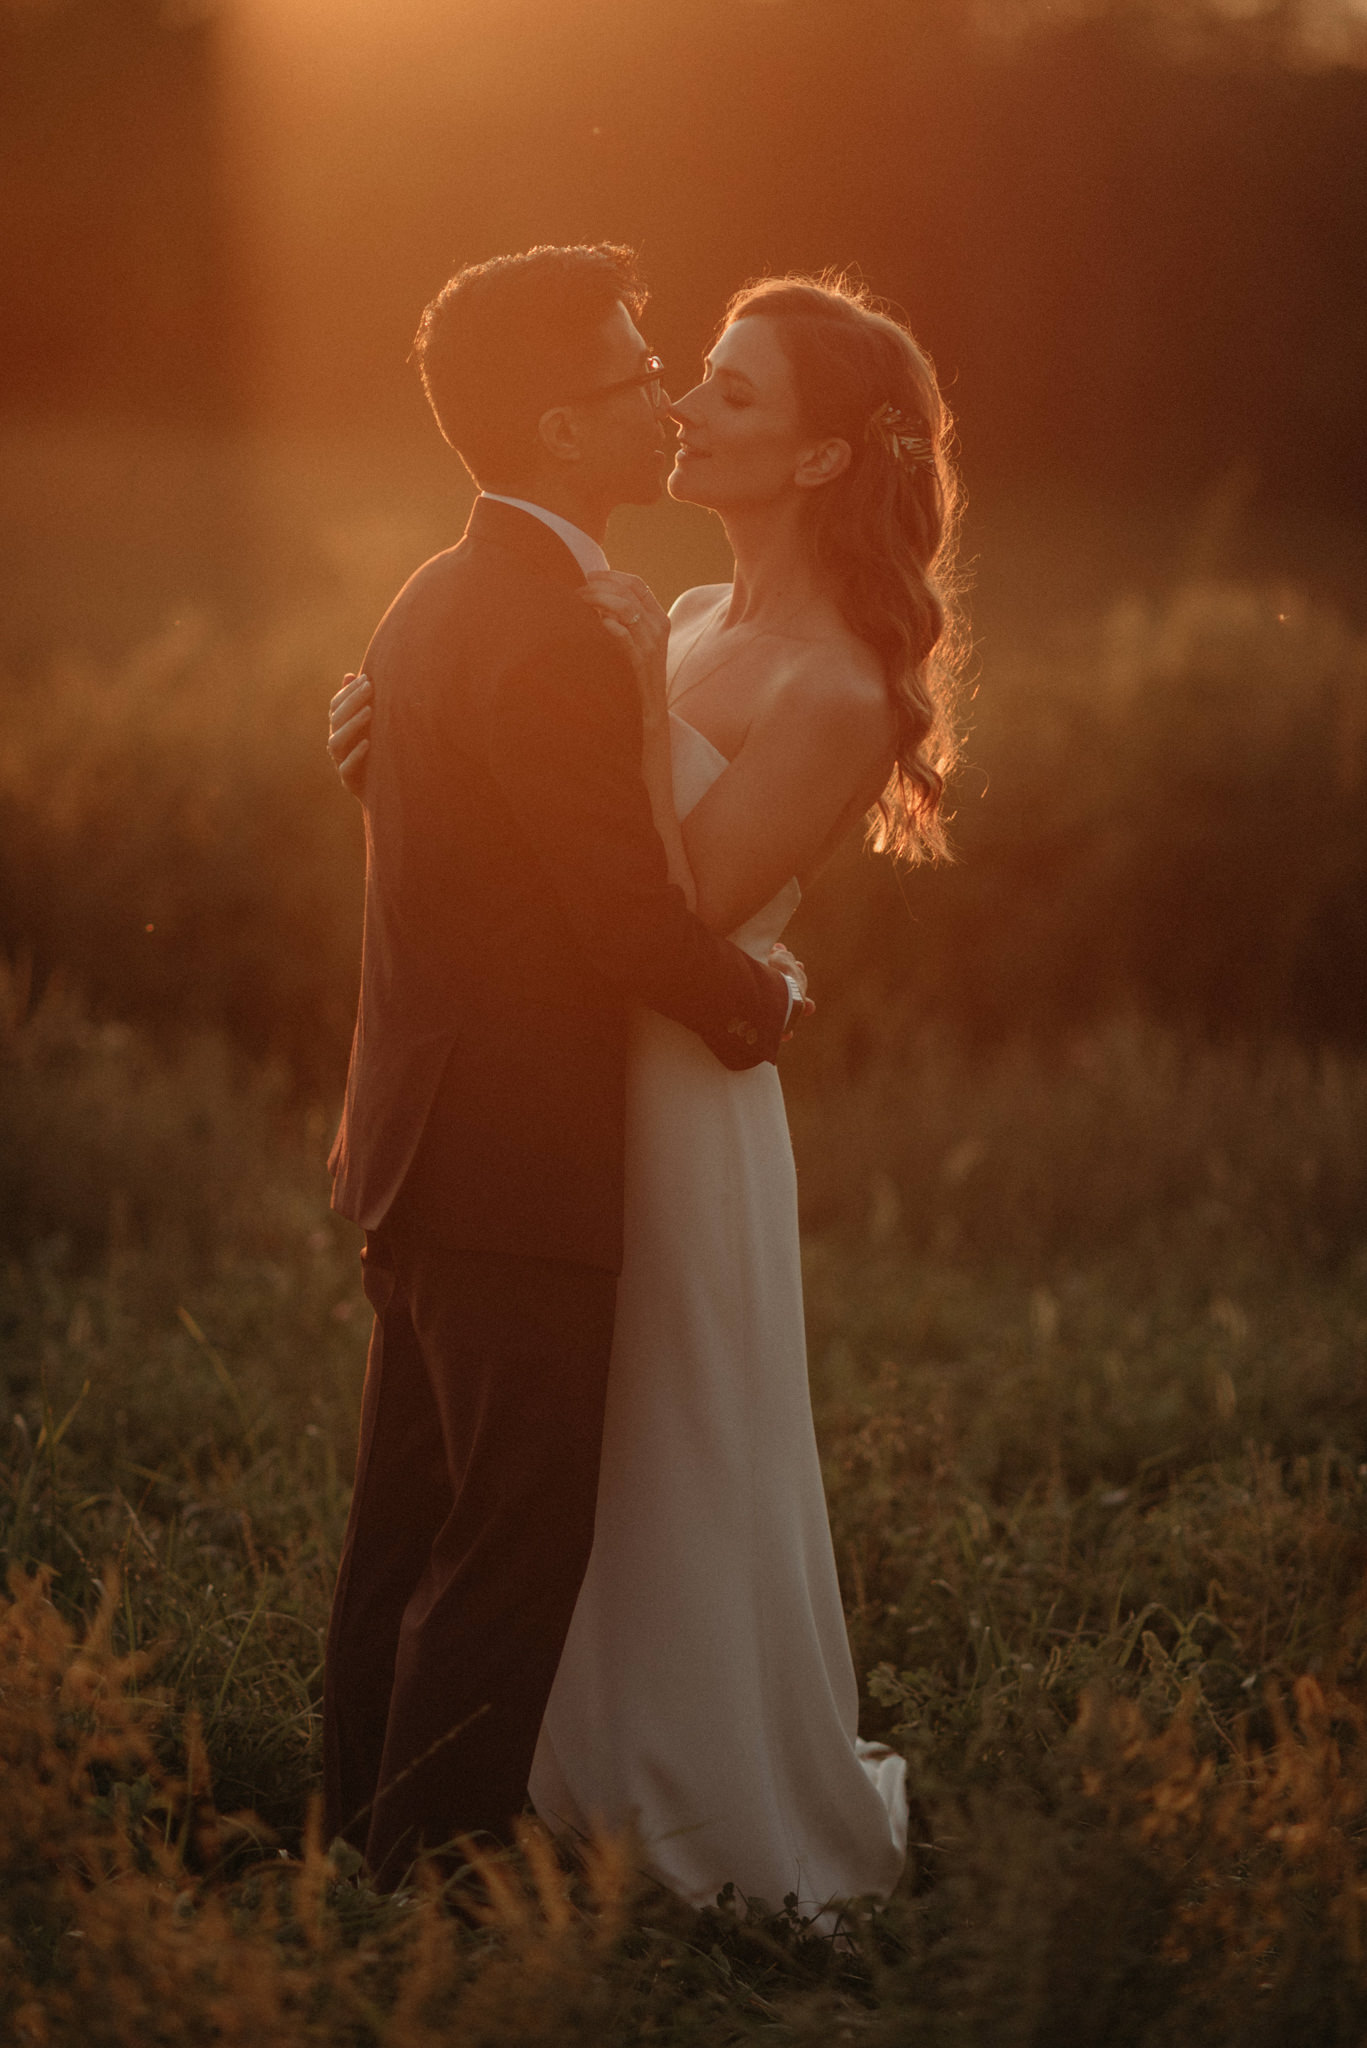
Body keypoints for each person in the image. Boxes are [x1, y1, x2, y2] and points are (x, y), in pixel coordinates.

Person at [329, 270, 966, 1920]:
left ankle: (687, 1792)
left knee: (655, 1448)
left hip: (675, 1104)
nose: (684, 406)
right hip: (563, 1096)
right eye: (682, 379)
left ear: (825, 463)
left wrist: (760, 990)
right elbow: (548, 830)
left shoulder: (829, 687)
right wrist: (408, 735)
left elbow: (659, 910)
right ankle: (510, 1801)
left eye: (734, 395)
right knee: (536, 1483)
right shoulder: (669, 620)